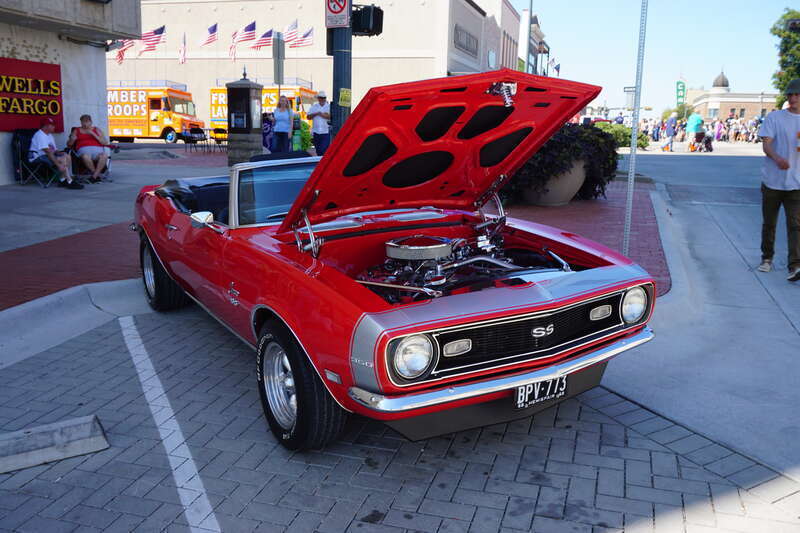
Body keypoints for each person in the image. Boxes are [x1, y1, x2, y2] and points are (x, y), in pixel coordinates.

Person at [756, 78, 800, 282]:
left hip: (796, 184)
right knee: (769, 223)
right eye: (790, 94)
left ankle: (795, 266)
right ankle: (767, 258)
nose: (793, 98)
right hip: (772, 182)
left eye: (797, 95)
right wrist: (777, 158)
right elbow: (766, 145)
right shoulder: (774, 118)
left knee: (795, 225)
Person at [29, 117, 81, 189]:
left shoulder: (50, 135)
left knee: (67, 156)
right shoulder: (40, 135)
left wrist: (61, 153)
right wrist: (58, 164)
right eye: (52, 125)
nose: (54, 126)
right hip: (37, 157)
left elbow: (54, 150)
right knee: (62, 159)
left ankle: (62, 180)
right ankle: (69, 181)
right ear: (45, 126)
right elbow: (48, 152)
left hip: (46, 155)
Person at [67, 114, 109, 183]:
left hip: (98, 153)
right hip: (84, 152)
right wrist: (72, 140)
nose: (84, 123)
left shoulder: (96, 129)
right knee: (85, 156)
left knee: (104, 155)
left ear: (91, 122)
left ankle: (94, 177)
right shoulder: (76, 130)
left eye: (86, 121)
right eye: (83, 121)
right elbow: (69, 145)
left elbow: (105, 143)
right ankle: (96, 176)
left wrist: (93, 134)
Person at [307, 90, 331, 156]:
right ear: (318, 98)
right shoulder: (314, 107)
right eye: (321, 97)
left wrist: (320, 114)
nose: (322, 99)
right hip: (316, 131)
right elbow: (308, 117)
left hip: (325, 131)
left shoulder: (328, 106)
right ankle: (319, 163)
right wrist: (316, 113)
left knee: (324, 149)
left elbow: (330, 117)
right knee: (318, 149)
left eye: (324, 98)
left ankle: (323, 163)